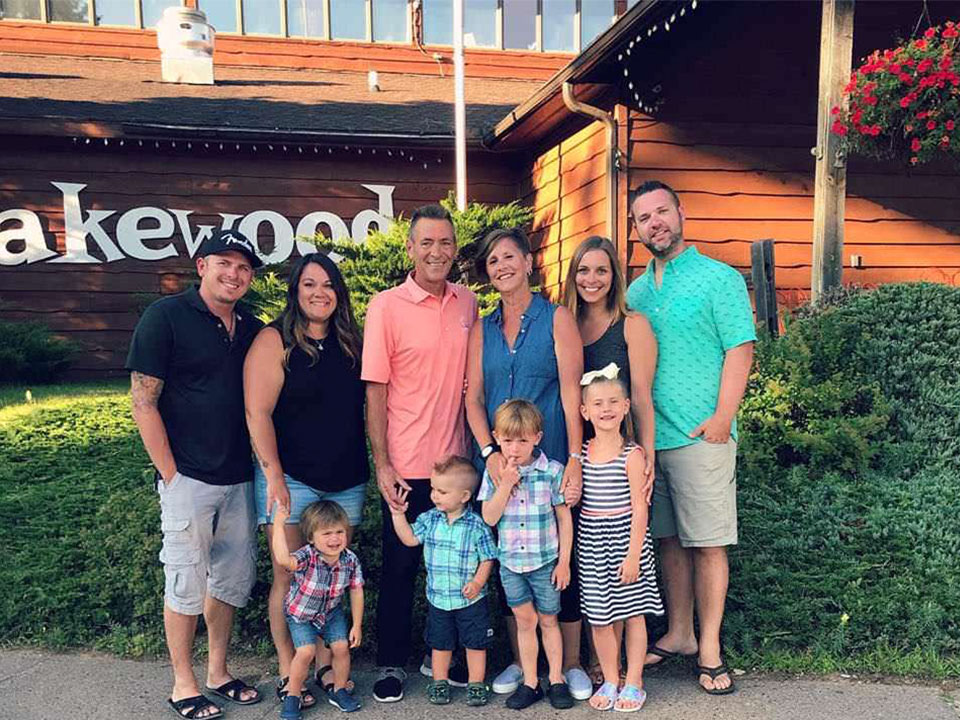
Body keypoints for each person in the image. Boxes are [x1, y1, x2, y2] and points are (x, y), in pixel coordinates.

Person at [126, 229, 264, 720]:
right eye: (223, 262)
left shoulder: (249, 326)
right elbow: (143, 402)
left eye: (244, 267)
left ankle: (218, 672)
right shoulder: (165, 317)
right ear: (201, 265)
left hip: (239, 477)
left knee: (229, 579)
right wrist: (170, 474)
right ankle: (183, 682)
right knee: (185, 581)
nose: (234, 273)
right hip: (188, 477)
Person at [626, 180, 755, 695]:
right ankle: (678, 633)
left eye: (661, 212)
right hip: (652, 441)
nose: (654, 223)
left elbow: (740, 350)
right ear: (635, 230)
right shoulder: (634, 292)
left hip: (703, 435)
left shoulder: (718, 279)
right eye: (643, 218)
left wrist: (724, 416)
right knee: (668, 540)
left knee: (708, 543)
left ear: (681, 213)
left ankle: (709, 649)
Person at [464, 227, 590, 701]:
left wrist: (575, 458)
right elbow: (474, 399)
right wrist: (489, 454)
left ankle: (571, 665)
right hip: (501, 463)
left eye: (509, 257)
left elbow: (573, 391)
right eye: (493, 261)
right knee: (511, 562)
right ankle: (523, 664)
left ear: (528, 262)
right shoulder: (482, 328)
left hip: (552, 457)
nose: (501, 267)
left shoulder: (556, 318)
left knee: (560, 561)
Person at [362, 204, 479, 702]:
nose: (437, 251)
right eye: (427, 242)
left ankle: (445, 661)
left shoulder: (468, 303)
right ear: (410, 248)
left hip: (457, 469)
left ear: (455, 250)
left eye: (445, 243)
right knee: (401, 568)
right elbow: (375, 392)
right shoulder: (385, 306)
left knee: (455, 568)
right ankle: (390, 663)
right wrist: (383, 463)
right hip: (407, 467)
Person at [243, 252, 367, 706]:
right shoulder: (273, 340)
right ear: (296, 291)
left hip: (346, 478)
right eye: (310, 284)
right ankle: (286, 666)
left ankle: (326, 669)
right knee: (290, 576)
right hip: (291, 478)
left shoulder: (352, 339)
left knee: (332, 574)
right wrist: (273, 474)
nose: (320, 293)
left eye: (328, 284)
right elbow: (257, 413)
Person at [563, 235, 658, 687]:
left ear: (614, 276)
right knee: (588, 564)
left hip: (619, 459)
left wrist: (648, 456)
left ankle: (620, 670)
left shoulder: (631, 325)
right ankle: (590, 658)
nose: (591, 279)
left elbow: (641, 396)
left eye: (601, 270)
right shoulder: (563, 323)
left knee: (622, 566)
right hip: (577, 457)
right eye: (583, 270)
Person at [577, 364, 663, 712]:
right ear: (585, 411)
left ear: (627, 405)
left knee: (633, 614)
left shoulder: (633, 454)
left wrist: (633, 555)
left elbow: (640, 510)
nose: (606, 409)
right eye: (597, 403)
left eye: (613, 401)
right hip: (592, 541)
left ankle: (634, 681)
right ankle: (611, 677)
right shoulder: (581, 453)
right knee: (600, 617)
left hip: (627, 539)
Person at [479, 400, 574, 711]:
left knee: (549, 620)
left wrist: (563, 561)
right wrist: (505, 485)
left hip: (545, 562)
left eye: (522, 440)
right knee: (524, 622)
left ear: (537, 437)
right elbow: (489, 518)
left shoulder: (552, 472)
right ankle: (531, 682)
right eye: (507, 441)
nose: (514, 448)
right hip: (511, 565)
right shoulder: (494, 475)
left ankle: (557, 679)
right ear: (496, 437)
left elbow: (563, 518)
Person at [389, 456, 498, 707]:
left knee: (475, 643)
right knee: (440, 643)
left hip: (470, 598)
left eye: (442, 491)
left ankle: (476, 684)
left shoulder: (477, 525)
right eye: (433, 489)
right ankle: (439, 681)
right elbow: (409, 539)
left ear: (464, 496)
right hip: (439, 597)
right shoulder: (430, 520)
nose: (435, 496)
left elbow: (488, 557)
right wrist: (398, 516)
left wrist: (479, 582)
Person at [271, 501, 364, 719]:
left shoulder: (350, 560)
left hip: (331, 614)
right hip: (301, 615)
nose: (335, 539)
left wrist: (357, 625)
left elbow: (357, 592)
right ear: (312, 538)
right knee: (306, 652)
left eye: (339, 532)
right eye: (327, 533)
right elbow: (284, 559)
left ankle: (339, 690)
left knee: (341, 647)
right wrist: (278, 525)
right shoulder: (307, 555)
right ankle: (293, 696)